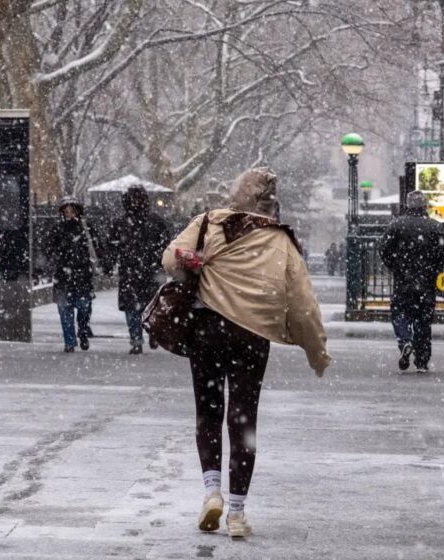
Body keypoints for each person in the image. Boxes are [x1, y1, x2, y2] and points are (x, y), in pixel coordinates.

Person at [162, 167, 331, 539]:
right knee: (243, 420)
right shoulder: (280, 240)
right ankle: (237, 512)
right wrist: (316, 352)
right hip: (251, 336)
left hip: (206, 330)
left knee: (207, 412)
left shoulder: (209, 222)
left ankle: (211, 492)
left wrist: (193, 262)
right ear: (272, 204)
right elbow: (303, 305)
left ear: (235, 194)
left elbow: (171, 259)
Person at [378, 191, 444, 372]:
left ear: (408, 205)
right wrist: (435, 267)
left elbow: (383, 248)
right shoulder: (434, 226)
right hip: (426, 281)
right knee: (423, 321)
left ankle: (404, 340)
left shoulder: (397, 225)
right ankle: (422, 361)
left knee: (400, 313)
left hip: (403, 280)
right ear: (424, 206)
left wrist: (395, 265)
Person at [107, 186, 172, 354]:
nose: (136, 202)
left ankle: (147, 335)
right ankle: (137, 339)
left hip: (146, 270)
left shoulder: (152, 222)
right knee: (134, 309)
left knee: (147, 307)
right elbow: (112, 246)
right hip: (137, 271)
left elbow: (166, 244)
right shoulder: (125, 223)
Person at [45, 196, 102, 353]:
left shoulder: (86, 228)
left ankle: (82, 331)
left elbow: (97, 246)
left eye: (72, 210)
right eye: (66, 210)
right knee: (65, 311)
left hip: (82, 275)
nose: (69, 213)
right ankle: (69, 342)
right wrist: (59, 252)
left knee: (84, 308)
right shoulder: (57, 229)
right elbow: (48, 249)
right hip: (63, 276)